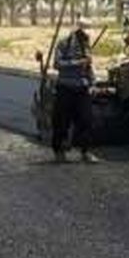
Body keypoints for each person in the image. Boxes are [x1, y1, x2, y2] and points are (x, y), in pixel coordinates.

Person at [51, 18, 95, 162]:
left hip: (82, 88)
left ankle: (86, 151)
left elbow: (88, 67)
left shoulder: (86, 45)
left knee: (86, 120)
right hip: (66, 87)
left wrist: (92, 83)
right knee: (62, 121)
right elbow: (57, 64)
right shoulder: (63, 43)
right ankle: (59, 151)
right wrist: (77, 63)